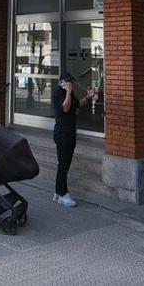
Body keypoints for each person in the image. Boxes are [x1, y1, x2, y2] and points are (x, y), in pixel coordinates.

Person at [51, 71, 97, 207]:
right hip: (63, 133)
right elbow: (65, 108)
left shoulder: (69, 94)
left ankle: (58, 192)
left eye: (71, 81)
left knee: (63, 164)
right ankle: (63, 194)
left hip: (69, 132)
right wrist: (69, 92)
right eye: (68, 81)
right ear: (63, 82)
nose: (71, 84)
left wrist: (88, 98)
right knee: (64, 164)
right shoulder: (60, 93)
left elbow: (77, 104)